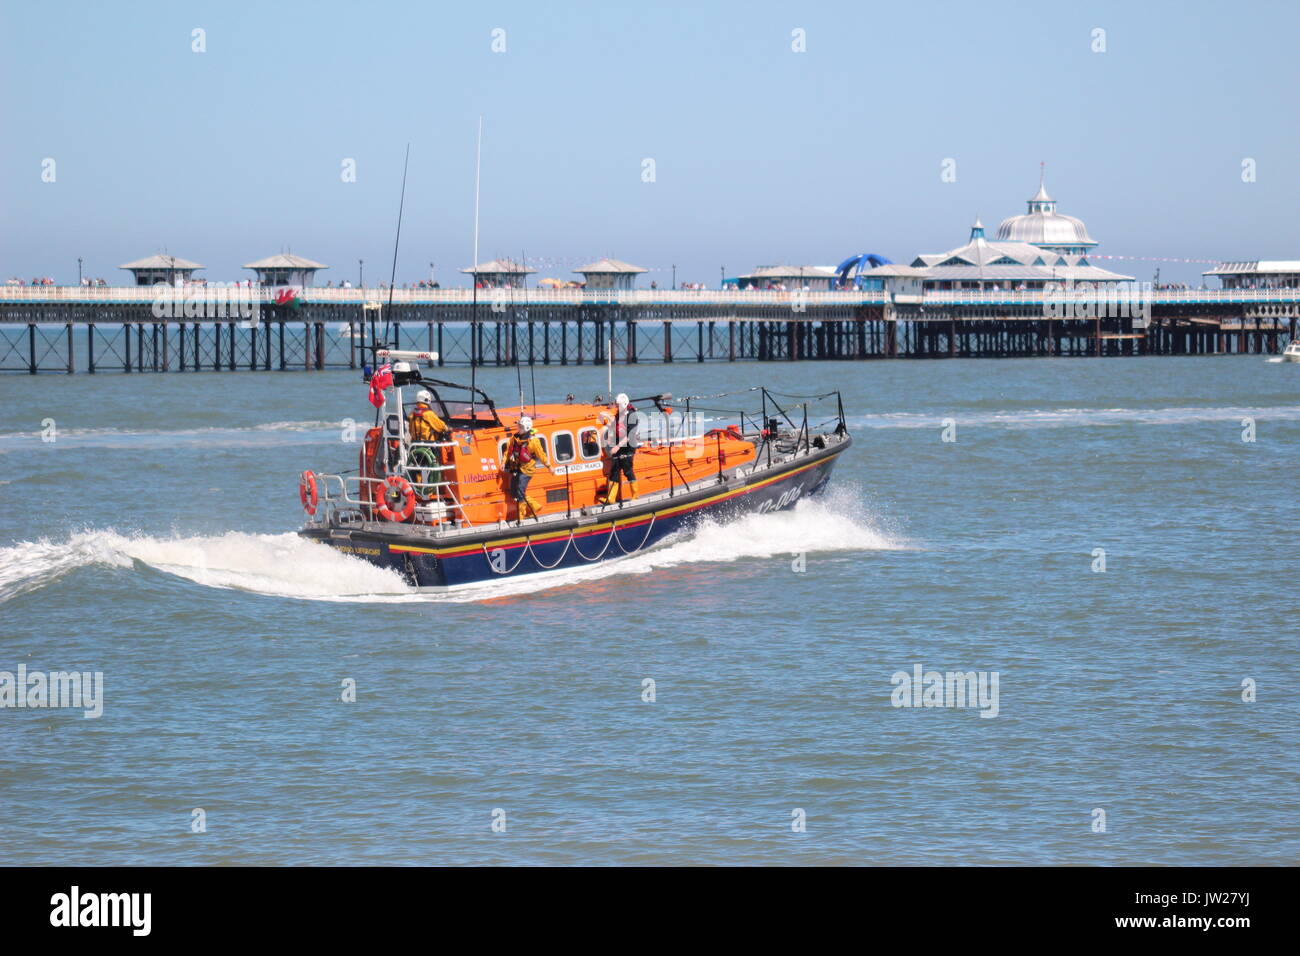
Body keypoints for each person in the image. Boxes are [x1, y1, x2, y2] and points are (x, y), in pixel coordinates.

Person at [504, 416, 549, 521]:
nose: (518, 427)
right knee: (514, 492)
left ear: (526, 427)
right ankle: (535, 506)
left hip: (527, 470)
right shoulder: (515, 438)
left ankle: (521, 517)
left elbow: (541, 454)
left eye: (520, 426)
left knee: (520, 494)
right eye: (518, 425)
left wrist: (549, 466)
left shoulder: (533, 441)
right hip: (517, 468)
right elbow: (508, 451)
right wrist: (503, 463)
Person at [407, 389, 448, 498]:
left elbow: (411, 432)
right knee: (433, 468)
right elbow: (441, 426)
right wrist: (447, 429)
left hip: (416, 447)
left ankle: (418, 491)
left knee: (419, 468)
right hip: (430, 447)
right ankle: (431, 491)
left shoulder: (412, 415)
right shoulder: (429, 414)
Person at [602, 393, 640, 505]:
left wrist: (617, 447)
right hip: (619, 444)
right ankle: (611, 498)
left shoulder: (632, 415)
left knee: (627, 470)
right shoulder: (619, 414)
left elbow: (630, 435)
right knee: (614, 471)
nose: (616, 407)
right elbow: (614, 425)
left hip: (628, 447)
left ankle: (635, 494)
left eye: (617, 405)